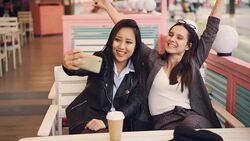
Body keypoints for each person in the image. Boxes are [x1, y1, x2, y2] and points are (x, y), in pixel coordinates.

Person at [94, 0, 224, 130]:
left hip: (190, 118)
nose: (172, 39)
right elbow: (128, 30)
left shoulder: (193, 62)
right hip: (162, 123)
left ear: (188, 46)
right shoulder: (153, 60)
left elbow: (210, 32)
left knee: (187, 130)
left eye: (179, 38)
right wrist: (107, 5)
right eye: (171, 34)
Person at [63, 19, 149, 134]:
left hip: (120, 123)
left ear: (136, 46)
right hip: (87, 118)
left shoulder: (139, 70)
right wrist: (68, 65)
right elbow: (79, 69)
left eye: (128, 42)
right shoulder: (101, 60)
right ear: (111, 40)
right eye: (117, 40)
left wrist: (106, 121)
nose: (122, 46)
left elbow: (134, 104)